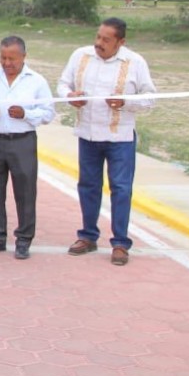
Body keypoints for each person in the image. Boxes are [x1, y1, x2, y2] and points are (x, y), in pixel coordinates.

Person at [57, 17, 156, 267]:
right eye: (98, 37)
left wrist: (125, 102)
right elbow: (63, 84)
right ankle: (88, 236)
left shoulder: (135, 62)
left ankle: (120, 243)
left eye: (106, 39)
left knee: (121, 188)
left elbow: (150, 98)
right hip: (88, 134)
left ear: (121, 42)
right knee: (88, 185)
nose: (99, 43)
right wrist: (70, 96)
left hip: (119, 137)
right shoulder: (80, 56)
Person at [0, 36, 55, 260]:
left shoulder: (36, 81)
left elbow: (48, 113)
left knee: (25, 192)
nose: (7, 63)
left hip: (23, 141)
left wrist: (25, 114)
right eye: (3, 58)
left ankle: (23, 240)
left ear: (24, 56)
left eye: (12, 58)